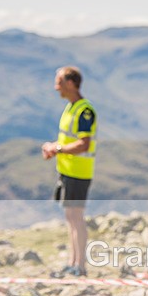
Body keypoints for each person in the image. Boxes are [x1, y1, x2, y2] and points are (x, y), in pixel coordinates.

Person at [41, 66, 97, 278]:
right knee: (70, 216)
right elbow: (67, 139)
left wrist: (57, 149)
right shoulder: (71, 108)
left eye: (60, 83)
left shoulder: (84, 111)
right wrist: (54, 148)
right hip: (67, 170)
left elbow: (84, 144)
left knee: (77, 217)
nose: (57, 88)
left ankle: (80, 266)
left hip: (78, 172)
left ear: (71, 83)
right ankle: (72, 263)